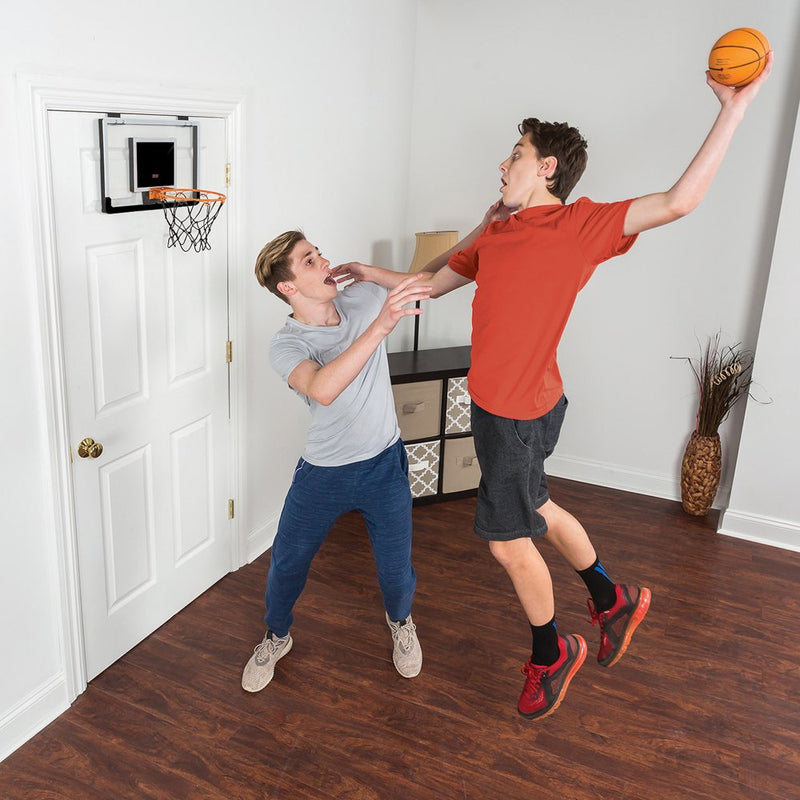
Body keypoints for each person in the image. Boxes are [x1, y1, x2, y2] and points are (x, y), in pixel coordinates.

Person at [330, 56, 773, 719]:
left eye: (515, 154)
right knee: (534, 507)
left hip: (515, 412)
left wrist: (733, 108)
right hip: (513, 403)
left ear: (547, 168)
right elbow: (432, 285)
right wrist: (371, 271)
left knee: (509, 541)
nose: (502, 165)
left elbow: (681, 201)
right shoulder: (499, 230)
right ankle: (610, 599)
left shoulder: (580, 225)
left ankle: (550, 652)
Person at [242, 230, 432, 693]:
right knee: (288, 563)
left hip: (383, 463)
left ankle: (401, 623)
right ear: (288, 287)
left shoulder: (363, 298)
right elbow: (323, 388)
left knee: (394, 567)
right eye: (309, 260)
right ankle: (276, 635)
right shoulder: (286, 344)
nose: (324, 260)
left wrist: (370, 273)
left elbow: (428, 280)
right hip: (323, 473)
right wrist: (381, 326)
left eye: (318, 252)